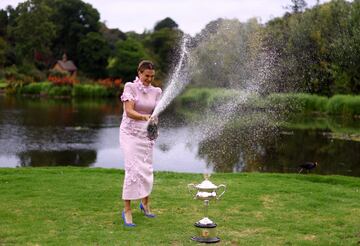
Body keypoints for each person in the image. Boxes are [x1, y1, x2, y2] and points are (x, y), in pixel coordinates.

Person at [119, 60, 162, 227]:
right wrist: (144, 117)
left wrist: (153, 127)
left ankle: (145, 204)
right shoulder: (130, 87)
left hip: (146, 135)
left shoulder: (157, 91)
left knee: (146, 169)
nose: (149, 79)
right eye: (146, 76)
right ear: (139, 73)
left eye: (152, 76)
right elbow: (129, 112)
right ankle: (127, 210)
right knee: (132, 169)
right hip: (129, 134)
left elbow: (155, 114)